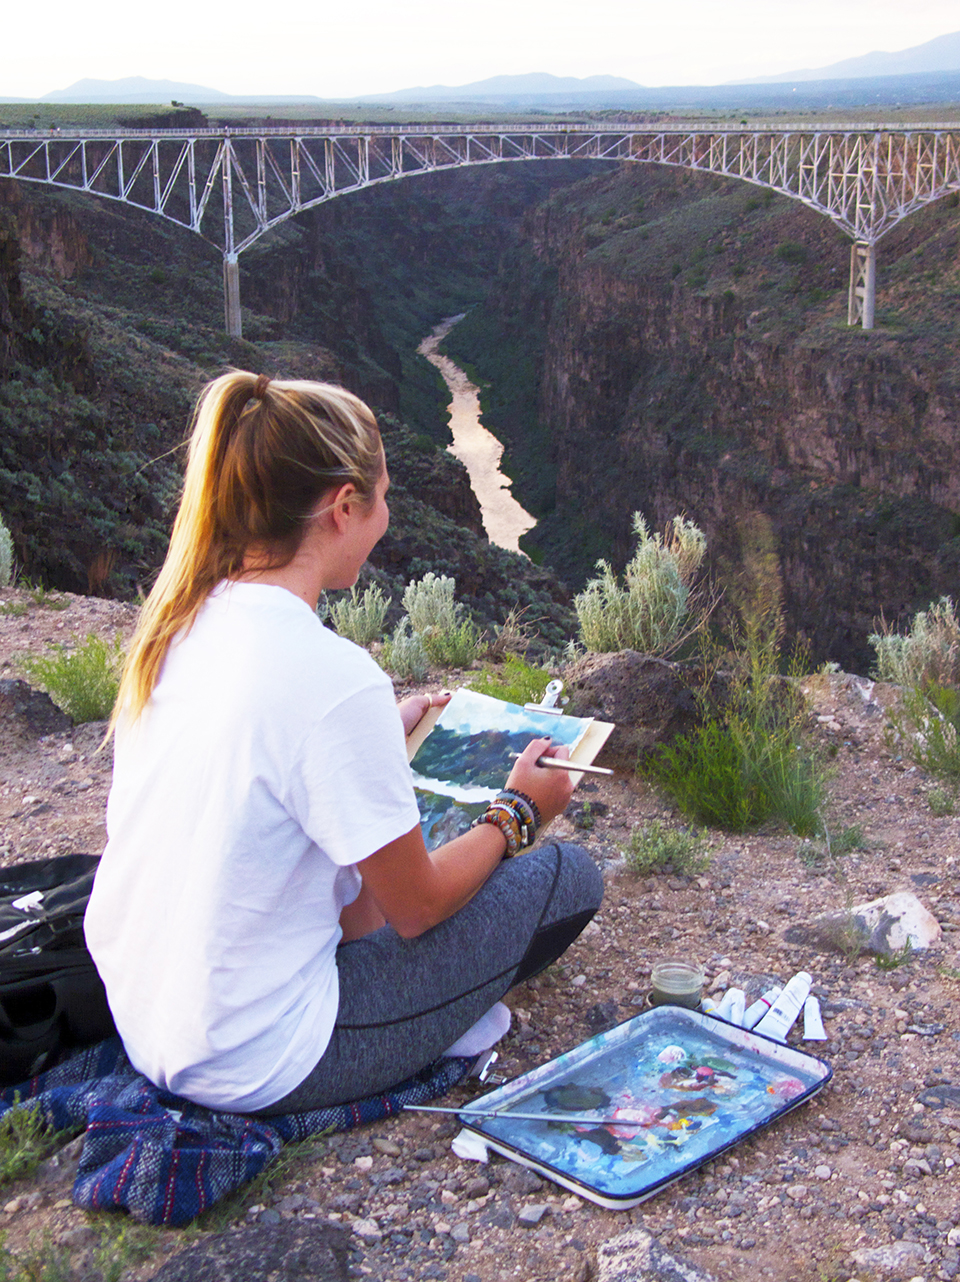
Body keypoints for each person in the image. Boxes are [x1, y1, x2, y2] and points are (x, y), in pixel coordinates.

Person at [84, 371, 603, 1116]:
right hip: (260, 1059)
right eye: (382, 498)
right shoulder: (333, 677)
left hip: (150, 1023)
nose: (388, 516)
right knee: (566, 878)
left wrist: (380, 740)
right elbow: (415, 908)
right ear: (343, 507)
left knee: (366, 890)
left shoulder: (178, 628)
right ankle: (441, 1023)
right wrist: (518, 812)